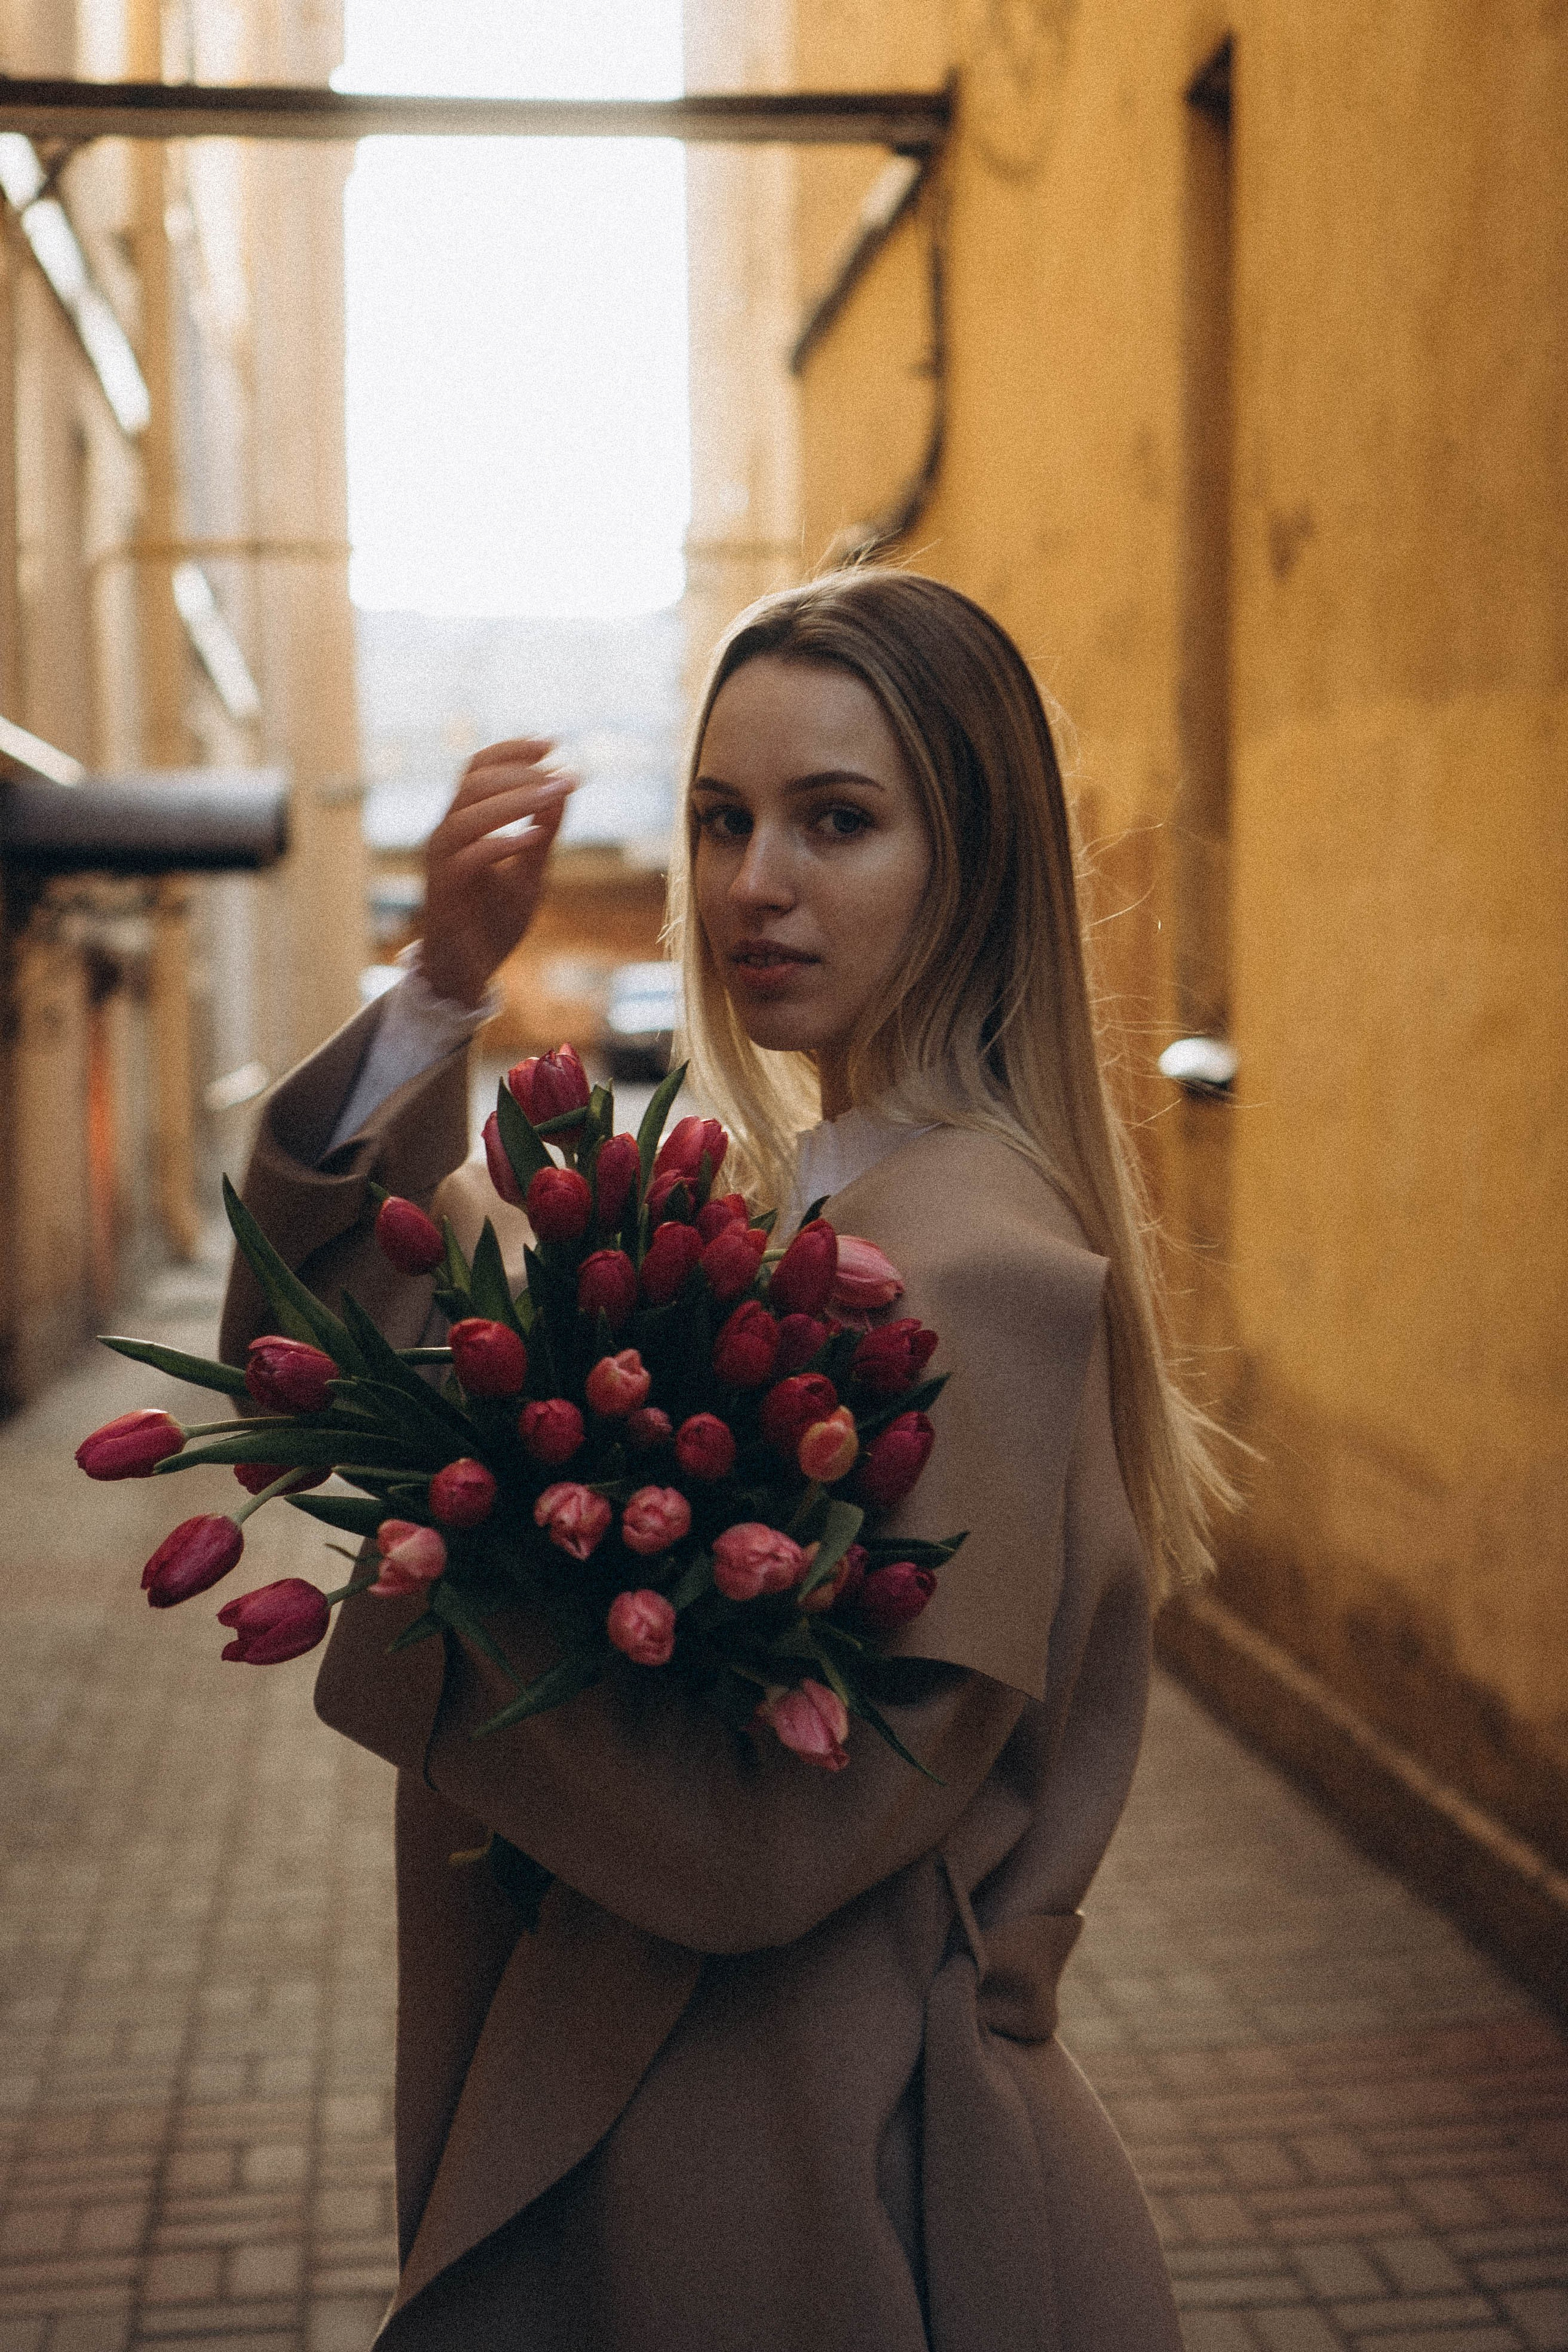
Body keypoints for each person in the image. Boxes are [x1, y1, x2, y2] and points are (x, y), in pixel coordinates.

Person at [220, 568, 1230, 2350]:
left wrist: (433, 1568)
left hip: (815, 2173)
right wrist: (441, 991)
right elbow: (312, 1357)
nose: (755, 880)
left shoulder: (970, 1269)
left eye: (836, 820)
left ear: (974, 863)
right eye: (720, 818)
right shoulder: (805, 1211)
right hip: (699, 2118)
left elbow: (771, 1844)